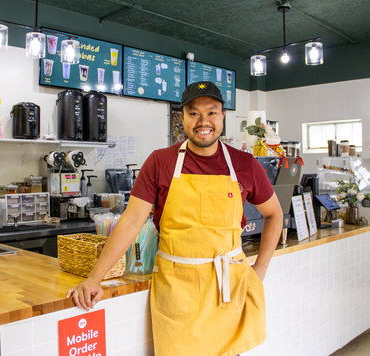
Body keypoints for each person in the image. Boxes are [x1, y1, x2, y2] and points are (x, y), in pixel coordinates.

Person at [67, 81, 283, 356]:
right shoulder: (160, 162)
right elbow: (132, 221)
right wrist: (94, 278)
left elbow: (275, 214)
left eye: (212, 112)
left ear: (223, 117)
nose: (203, 121)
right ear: (182, 117)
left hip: (228, 288)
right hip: (177, 291)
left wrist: (260, 269)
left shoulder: (245, 164)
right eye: (194, 113)